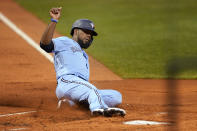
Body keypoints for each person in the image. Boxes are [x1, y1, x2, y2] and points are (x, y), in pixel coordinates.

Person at [40, 7, 126, 117]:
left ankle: (69, 104)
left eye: (91, 34)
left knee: (115, 96)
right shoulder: (66, 41)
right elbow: (45, 44)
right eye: (86, 32)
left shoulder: (84, 55)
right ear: (76, 31)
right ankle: (99, 109)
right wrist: (54, 21)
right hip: (68, 82)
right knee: (92, 90)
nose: (89, 35)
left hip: (78, 87)